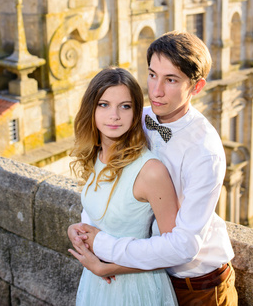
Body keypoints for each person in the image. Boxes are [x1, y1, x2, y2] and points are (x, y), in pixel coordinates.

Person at [70, 31, 238, 306]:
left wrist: (106, 251)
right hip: (141, 273)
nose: (156, 90)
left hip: (197, 285)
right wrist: (85, 227)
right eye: (152, 75)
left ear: (196, 87)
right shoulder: (137, 117)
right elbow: (111, 178)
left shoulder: (204, 152)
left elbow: (184, 245)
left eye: (171, 80)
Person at [67, 67, 179, 305]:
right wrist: (78, 230)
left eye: (125, 106)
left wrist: (108, 268)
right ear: (91, 109)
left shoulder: (150, 171)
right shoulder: (96, 155)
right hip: (95, 283)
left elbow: (172, 251)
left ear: (136, 111)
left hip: (135, 291)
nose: (114, 116)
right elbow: (101, 214)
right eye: (104, 104)